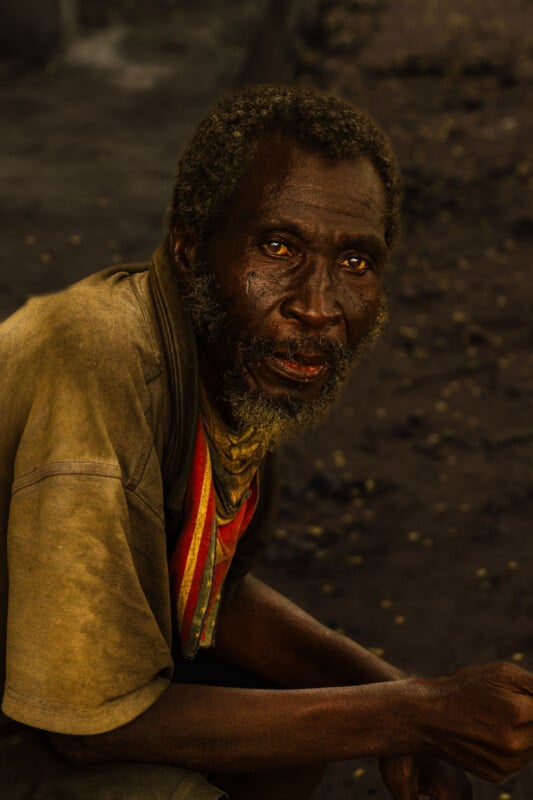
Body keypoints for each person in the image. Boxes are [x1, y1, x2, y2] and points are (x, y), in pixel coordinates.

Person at [0, 85, 532, 800]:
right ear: (189, 248)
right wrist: (412, 715)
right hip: (51, 710)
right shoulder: (97, 362)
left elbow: (209, 597)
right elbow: (88, 724)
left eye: (355, 262)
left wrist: (404, 701)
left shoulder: (229, 364)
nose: (317, 306)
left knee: (291, 716)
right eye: (278, 247)